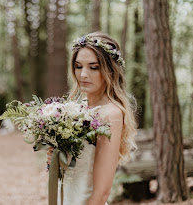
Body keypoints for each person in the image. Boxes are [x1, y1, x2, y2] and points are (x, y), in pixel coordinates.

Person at [47, 32, 137, 205]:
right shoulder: (77, 108)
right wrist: (57, 158)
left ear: (109, 70)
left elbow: (102, 192)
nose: (83, 75)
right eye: (78, 66)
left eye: (93, 67)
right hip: (65, 197)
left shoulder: (111, 114)